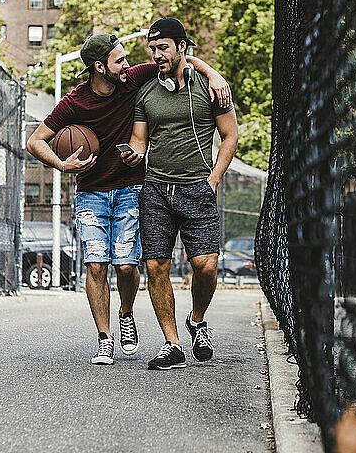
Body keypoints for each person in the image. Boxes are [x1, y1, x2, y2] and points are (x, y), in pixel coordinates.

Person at [26, 32, 231, 365]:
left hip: (130, 188)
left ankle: (125, 311)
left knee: (125, 265)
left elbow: (176, 61)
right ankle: (105, 338)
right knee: (95, 264)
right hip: (91, 191)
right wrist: (63, 164)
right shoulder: (74, 102)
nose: (128, 64)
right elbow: (35, 141)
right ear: (98, 67)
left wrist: (213, 73)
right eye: (119, 60)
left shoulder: (131, 79)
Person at [122, 18, 238, 369]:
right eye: (152, 49)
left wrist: (214, 178)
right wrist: (132, 153)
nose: (156, 54)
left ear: (181, 48)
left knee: (206, 266)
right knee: (156, 265)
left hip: (197, 188)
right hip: (156, 189)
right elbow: (140, 141)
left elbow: (230, 136)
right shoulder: (147, 93)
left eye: (163, 48)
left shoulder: (210, 88)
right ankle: (172, 345)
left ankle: (197, 320)